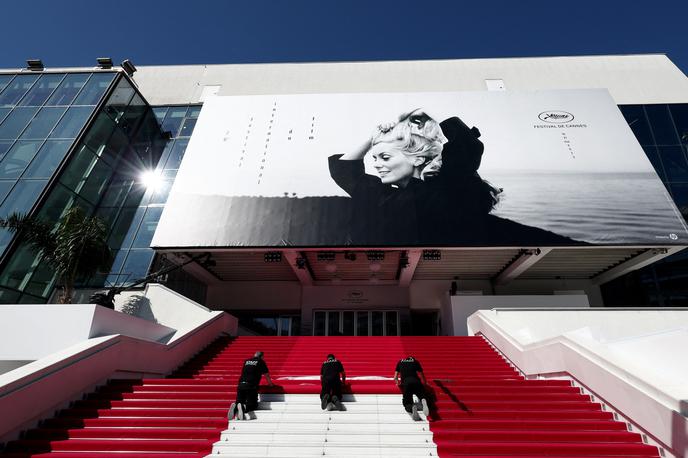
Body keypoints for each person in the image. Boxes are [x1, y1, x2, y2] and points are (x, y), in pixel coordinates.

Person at [328, 109, 580, 246]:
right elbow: (344, 171)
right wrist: (372, 139)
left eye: (384, 157)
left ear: (417, 159)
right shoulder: (383, 195)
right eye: (375, 158)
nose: (377, 165)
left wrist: (428, 121)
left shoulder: (447, 187)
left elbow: (466, 147)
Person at [228, 351, 273, 421]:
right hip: (251, 385)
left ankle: (236, 406)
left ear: (254, 355)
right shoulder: (260, 361)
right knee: (253, 404)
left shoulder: (247, 361)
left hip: (241, 384)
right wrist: (270, 384)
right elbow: (266, 374)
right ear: (262, 357)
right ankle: (243, 407)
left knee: (240, 400)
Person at [394, 355, 429, 421]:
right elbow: (422, 375)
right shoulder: (415, 362)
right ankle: (423, 400)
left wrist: (398, 383)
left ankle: (412, 408)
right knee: (421, 394)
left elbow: (395, 377)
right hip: (416, 381)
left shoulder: (400, 362)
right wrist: (424, 383)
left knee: (407, 402)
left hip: (406, 383)